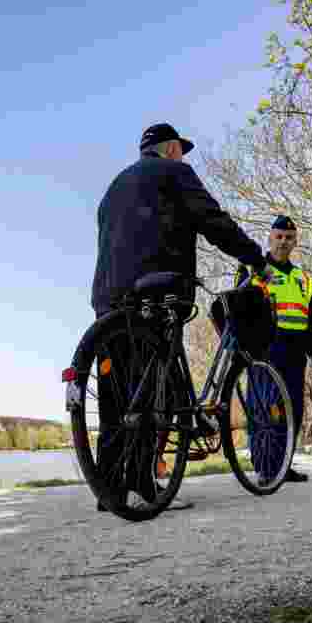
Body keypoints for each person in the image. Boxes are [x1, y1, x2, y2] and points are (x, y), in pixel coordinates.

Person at [91, 122, 270, 510]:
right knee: (155, 386)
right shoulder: (175, 172)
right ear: (171, 149)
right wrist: (254, 257)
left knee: (117, 394)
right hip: (156, 289)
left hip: (108, 299)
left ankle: (109, 490)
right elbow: (212, 221)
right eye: (181, 149)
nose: (183, 156)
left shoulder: (112, 189)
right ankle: (144, 486)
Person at [235, 215, 312, 484]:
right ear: (270, 238)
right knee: (266, 410)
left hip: (295, 352)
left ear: (295, 241)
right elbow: (239, 310)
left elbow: (309, 316)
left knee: (292, 410)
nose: (283, 242)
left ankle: (283, 465)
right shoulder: (253, 270)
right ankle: (265, 467)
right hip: (265, 351)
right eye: (278, 237)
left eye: (288, 238)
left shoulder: (302, 278)